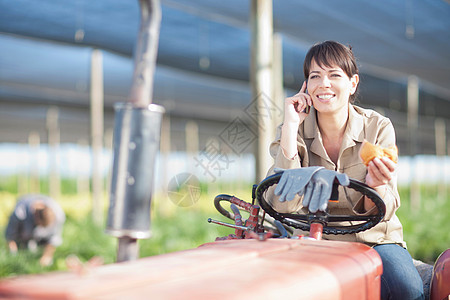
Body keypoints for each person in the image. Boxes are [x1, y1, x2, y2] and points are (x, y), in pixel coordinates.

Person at [267, 40, 424, 300]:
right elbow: (282, 206)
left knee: (407, 288)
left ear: (352, 84)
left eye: (334, 75)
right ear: (306, 86)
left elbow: (385, 209)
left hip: (373, 239)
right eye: (315, 76)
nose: (324, 84)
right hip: (315, 239)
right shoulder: (291, 131)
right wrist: (290, 127)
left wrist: (374, 184)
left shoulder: (377, 128)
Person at [5, 194, 65, 266]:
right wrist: (13, 258)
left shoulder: (58, 214)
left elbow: (54, 239)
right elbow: (10, 237)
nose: (41, 229)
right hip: (22, 237)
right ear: (35, 216)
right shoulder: (20, 212)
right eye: (40, 225)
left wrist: (47, 257)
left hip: (42, 241)